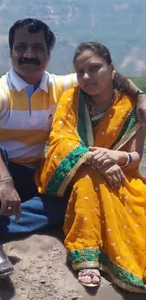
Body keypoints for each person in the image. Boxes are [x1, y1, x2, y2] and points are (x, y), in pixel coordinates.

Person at [0, 18, 145, 280]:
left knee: (71, 206)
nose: (29, 54)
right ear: (11, 51)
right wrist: (5, 181)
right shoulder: (0, 91)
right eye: (21, 47)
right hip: (1, 174)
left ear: (49, 54)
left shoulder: (63, 85)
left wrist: (140, 94)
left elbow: (108, 74)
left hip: (39, 176)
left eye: (38, 48)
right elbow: (63, 139)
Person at [37, 42, 146, 293]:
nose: (87, 77)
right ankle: (86, 255)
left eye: (95, 68)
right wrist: (98, 160)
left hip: (123, 177)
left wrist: (115, 158)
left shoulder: (133, 106)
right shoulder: (72, 98)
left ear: (111, 69)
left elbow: (136, 157)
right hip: (79, 172)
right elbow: (60, 141)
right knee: (87, 177)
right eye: (80, 72)